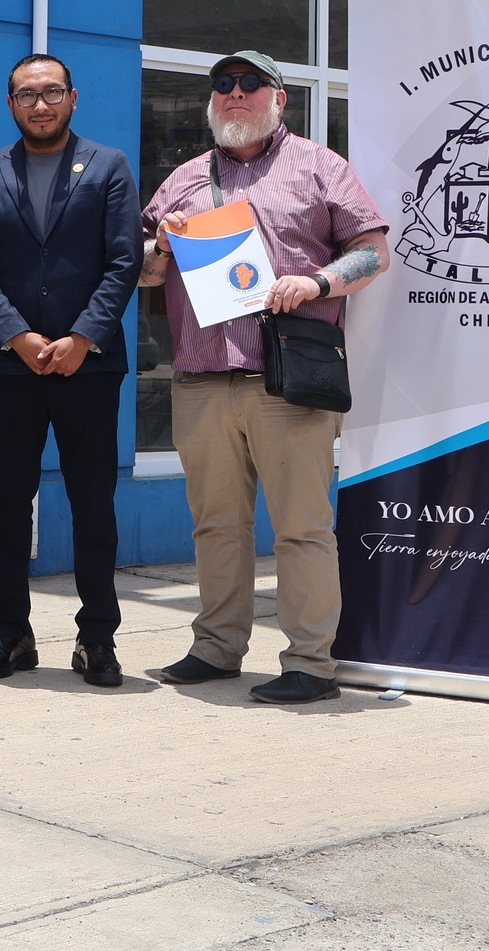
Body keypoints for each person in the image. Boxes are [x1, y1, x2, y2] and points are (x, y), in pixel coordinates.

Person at [141, 50, 389, 705]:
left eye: (251, 83)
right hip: (201, 379)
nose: (235, 93)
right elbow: (139, 273)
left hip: (288, 380)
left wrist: (317, 282)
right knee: (216, 525)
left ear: (280, 98)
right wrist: (159, 246)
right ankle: (216, 648)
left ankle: (311, 662)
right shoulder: (184, 180)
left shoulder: (319, 166)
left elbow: (374, 252)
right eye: (223, 84)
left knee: (301, 527)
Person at [0, 55, 140, 689]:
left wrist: (83, 337)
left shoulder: (109, 166)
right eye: (27, 95)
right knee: (8, 504)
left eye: (52, 92)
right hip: (12, 369)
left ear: (73, 97)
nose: (41, 104)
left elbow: (124, 261)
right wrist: (19, 337)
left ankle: (98, 638)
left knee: (94, 504)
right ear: (10, 104)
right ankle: (9, 632)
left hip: (90, 367)